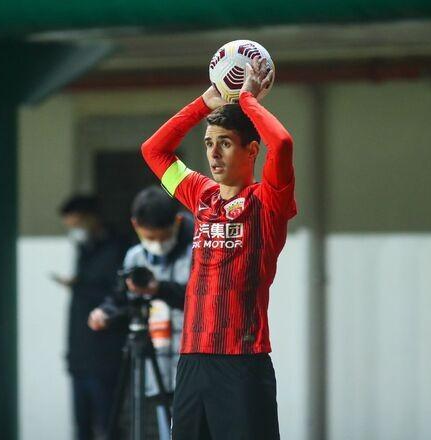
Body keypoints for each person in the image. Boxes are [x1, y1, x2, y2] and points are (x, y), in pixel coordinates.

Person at [140, 57, 296, 439]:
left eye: (225, 143)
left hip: (242, 362)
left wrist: (248, 100)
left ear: (251, 151)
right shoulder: (200, 194)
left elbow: (283, 142)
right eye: (209, 143)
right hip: (192, 360)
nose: (213, 154)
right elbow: (154, 150)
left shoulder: (267, 201)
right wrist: (205, 103)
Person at [88, 186, 193, 440]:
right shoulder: (134, 257)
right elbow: (121, 298)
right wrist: (105, 311)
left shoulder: (195, 253)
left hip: (188, 368)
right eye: (150, 238)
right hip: (148, 371)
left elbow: (201, 301)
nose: (157, 244)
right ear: (135, 225)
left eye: (162, 237)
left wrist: (160, 289)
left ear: (177, 222)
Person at [55, 195, 128, 440]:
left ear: (89, 217)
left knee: (108, 425)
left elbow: (117, 296)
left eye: (76, 224)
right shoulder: (85, 251)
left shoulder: (116, 247)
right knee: (81, 426)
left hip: (105, 356)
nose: (74, 231)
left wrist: (81, 285)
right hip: (80, 357)